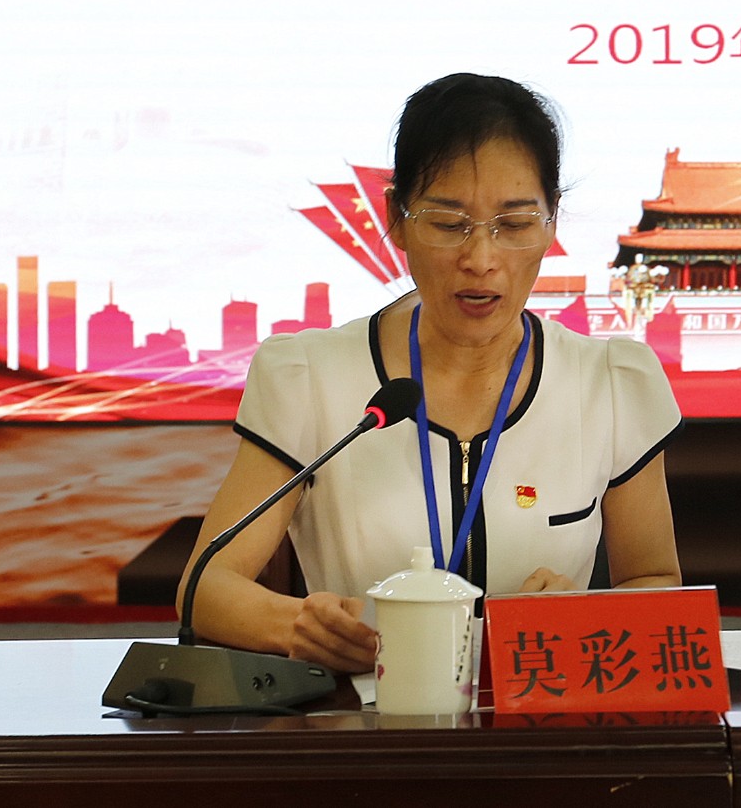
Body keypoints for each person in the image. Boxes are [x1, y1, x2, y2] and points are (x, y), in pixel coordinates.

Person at [177, 72, 683, 673]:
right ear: (397, 218)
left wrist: (583, 616)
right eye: (448, 224)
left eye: (515, 225)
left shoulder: (610, 384)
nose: (481, 259)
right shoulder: (310, 377)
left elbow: (656, 582)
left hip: (542, 715)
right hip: (365, 716)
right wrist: (294, 625)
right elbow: (206, 587)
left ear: (552, 223)